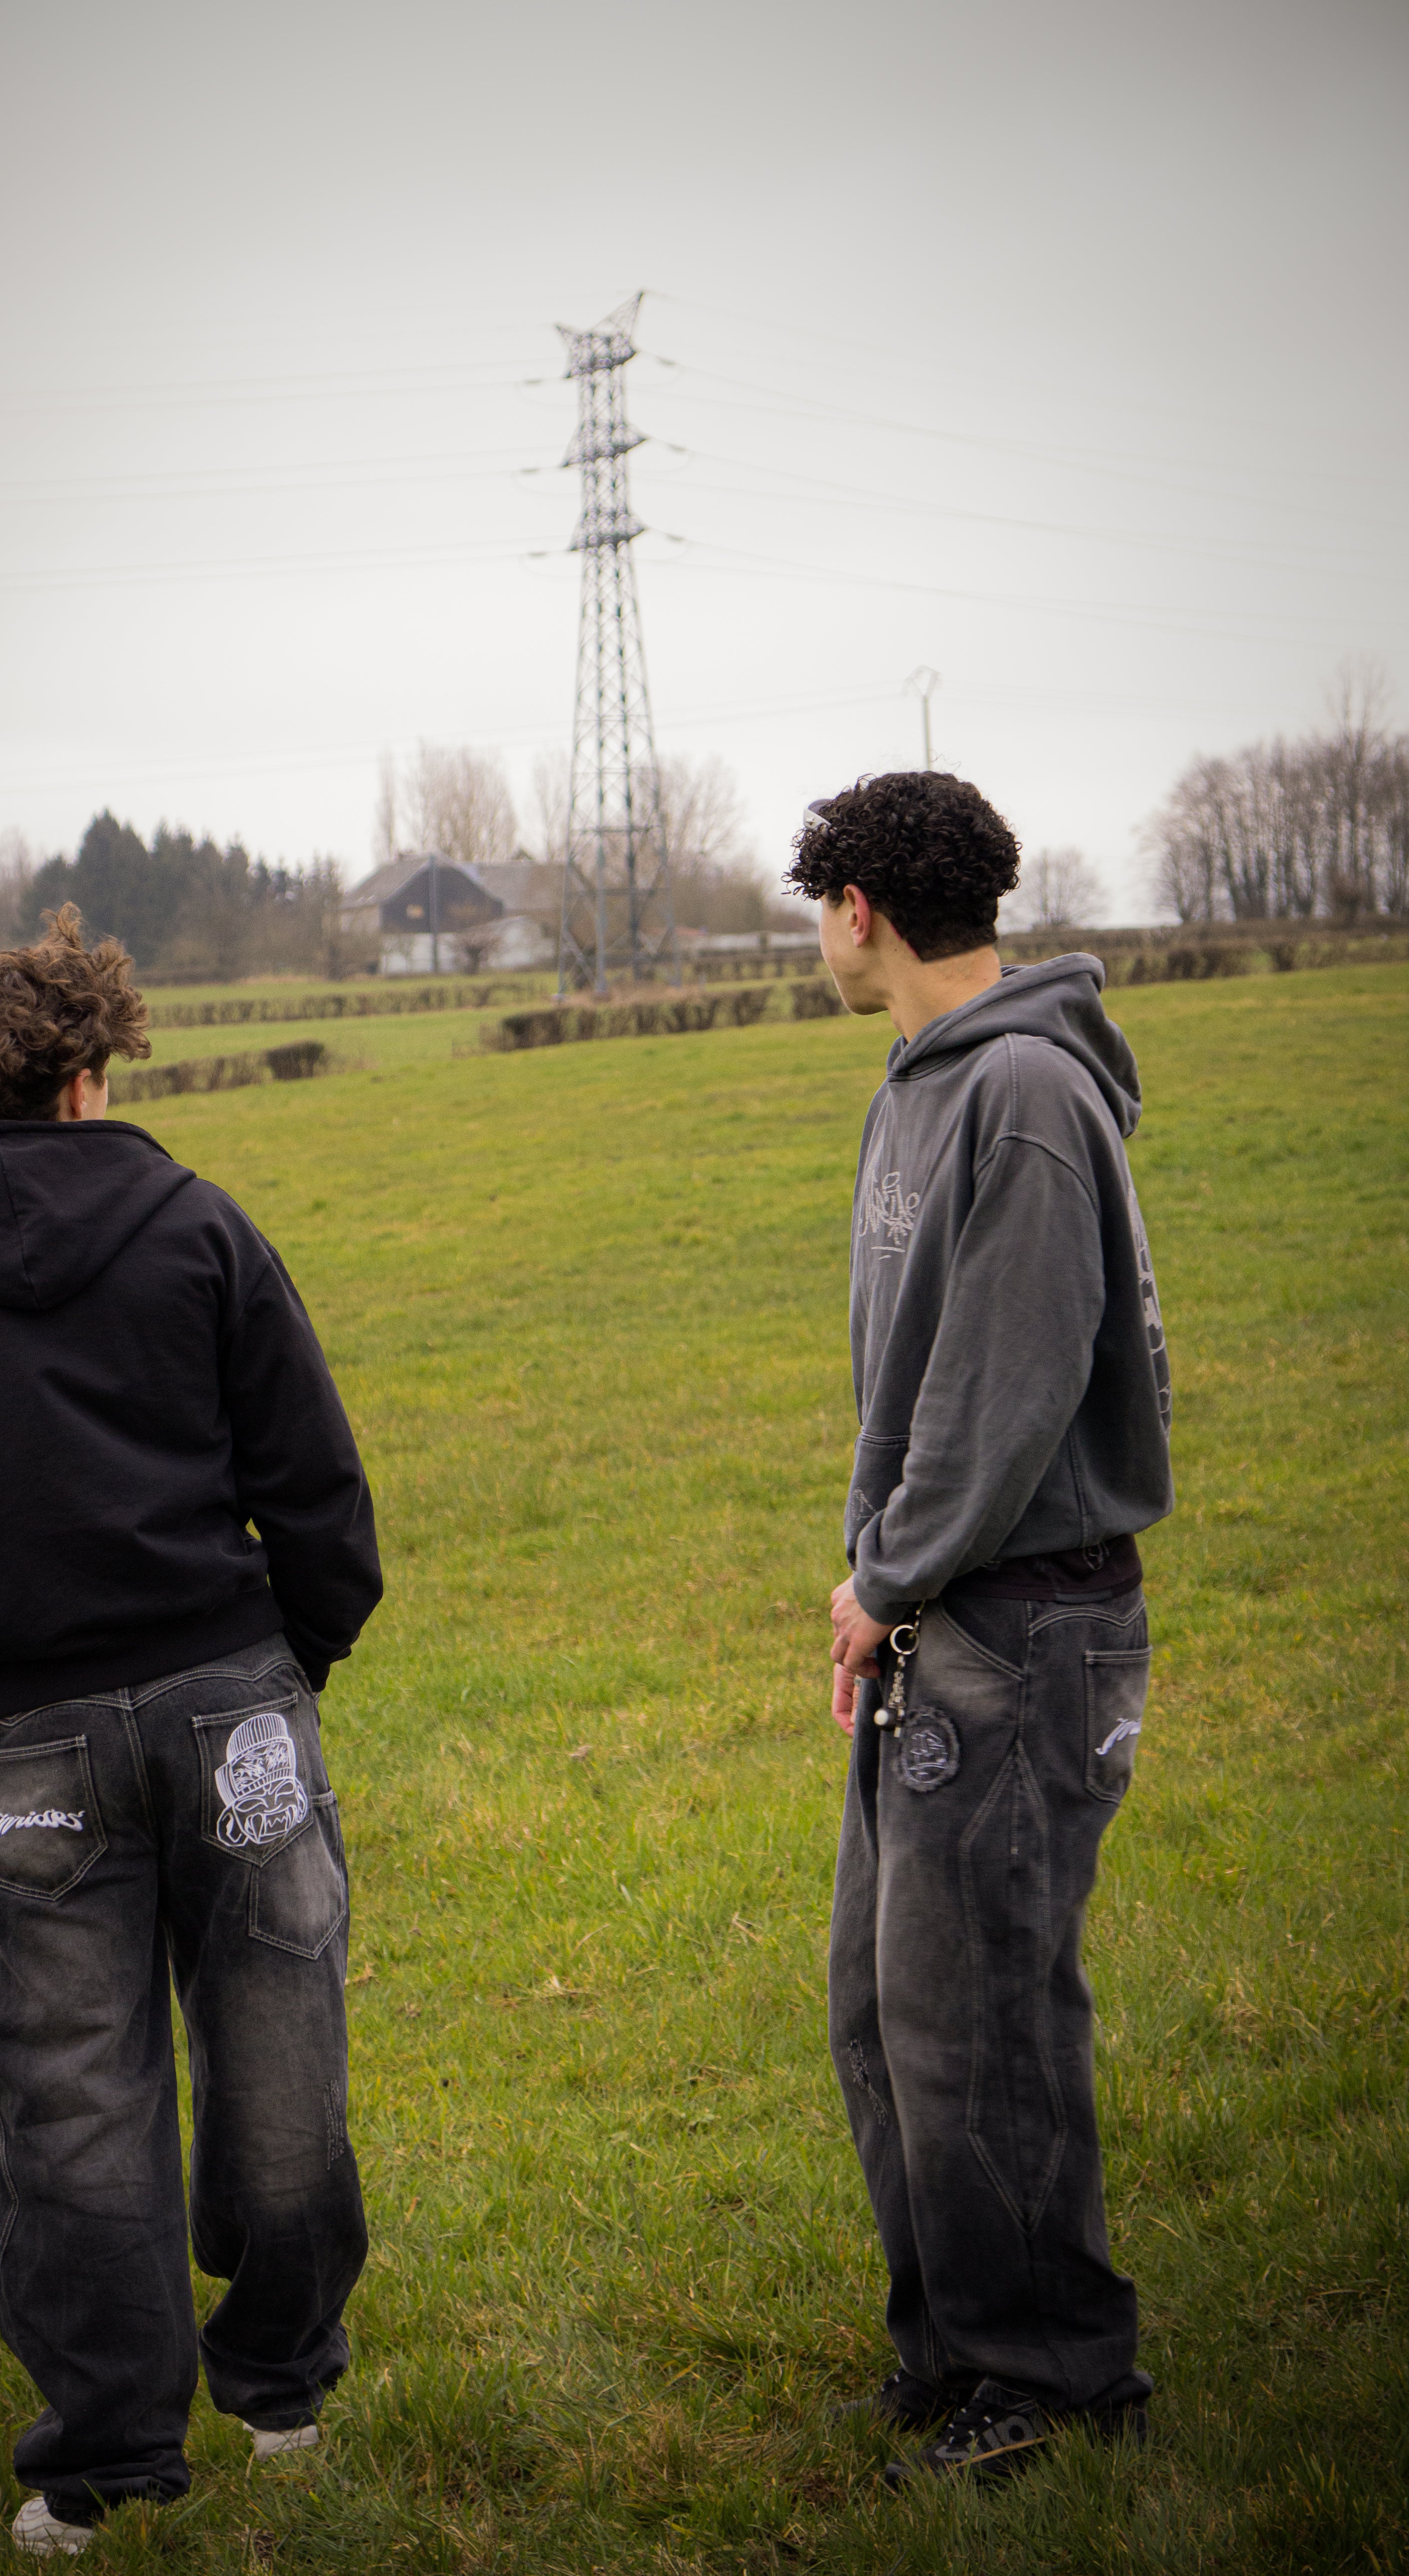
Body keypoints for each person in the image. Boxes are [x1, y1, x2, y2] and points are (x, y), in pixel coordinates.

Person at [0, 909, 382, 2557]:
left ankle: (110, 2464)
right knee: (280, 2050)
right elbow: (316, 1485)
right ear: (89, 1071)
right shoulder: (199, 1224)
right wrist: (284, 1666)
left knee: (67, 2104)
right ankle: (282, 2391)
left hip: (30, 1741)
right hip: (232, 1705)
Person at [787, 776, 1172, 2487]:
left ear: (858, 907)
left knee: (987, 2020)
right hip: (942, 1613)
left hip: (1021, 1620)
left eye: (819, 909)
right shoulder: (922, 1082)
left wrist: (890, 1578)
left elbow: (1005, 1389)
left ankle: (1056, 2377)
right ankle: (951, 2345)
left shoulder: (1020, 1092)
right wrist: (888, 1589)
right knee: (887, 2010)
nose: (819, 937)